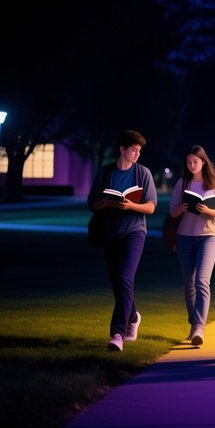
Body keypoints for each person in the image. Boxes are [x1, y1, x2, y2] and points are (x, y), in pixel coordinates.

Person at [86, 129, 157, 351]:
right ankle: (133, 316)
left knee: (125, 276)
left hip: (134, 232)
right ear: (122, 149)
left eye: (139, 151)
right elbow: (92, 204)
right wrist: (107, 202)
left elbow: (151, 207)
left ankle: (117, 333)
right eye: (134, 150)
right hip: (110, 233)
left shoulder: (143, 173)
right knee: (118, 282)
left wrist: (131, 206)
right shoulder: (106, 172)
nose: (137, 154)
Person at [168, 144, 215, 346]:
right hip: (184, 237)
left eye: (196, 161)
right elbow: (172, 212)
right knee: (189, 284)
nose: (192, 165)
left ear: (204, 162)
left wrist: (208, 210)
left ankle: (199, 327)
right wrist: (183, 208)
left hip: (208, 236)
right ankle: (194, 322)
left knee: (202, 280)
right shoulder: (181, 183)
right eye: (189, 162)